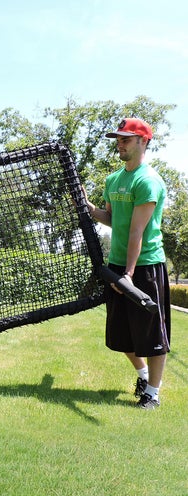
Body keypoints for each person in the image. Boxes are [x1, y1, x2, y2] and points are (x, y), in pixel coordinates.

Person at [84, 117, 170, 409]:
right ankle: (144, 376)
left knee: (151, 335)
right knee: (123, 335)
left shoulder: (148, 181)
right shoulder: (112, 180)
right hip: (119, 265)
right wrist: (90, 208)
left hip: (145, 266)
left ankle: (153, 394)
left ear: (143, 142)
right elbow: (113, 220)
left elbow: (137, 231)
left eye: (126, 139)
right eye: (118, 139)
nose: (120, 144)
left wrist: (129, 275)